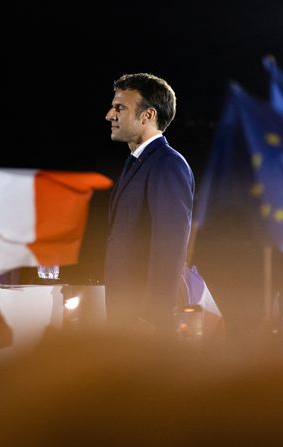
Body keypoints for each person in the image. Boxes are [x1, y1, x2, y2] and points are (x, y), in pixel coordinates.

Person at [104, 73, 194, 336]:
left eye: (120, 107)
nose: (110, 115)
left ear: (147, 115)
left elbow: (171, 245)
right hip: (125, 315)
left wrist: (152, 316)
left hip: (143, 322)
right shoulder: (137, 162)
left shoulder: (168, 164)